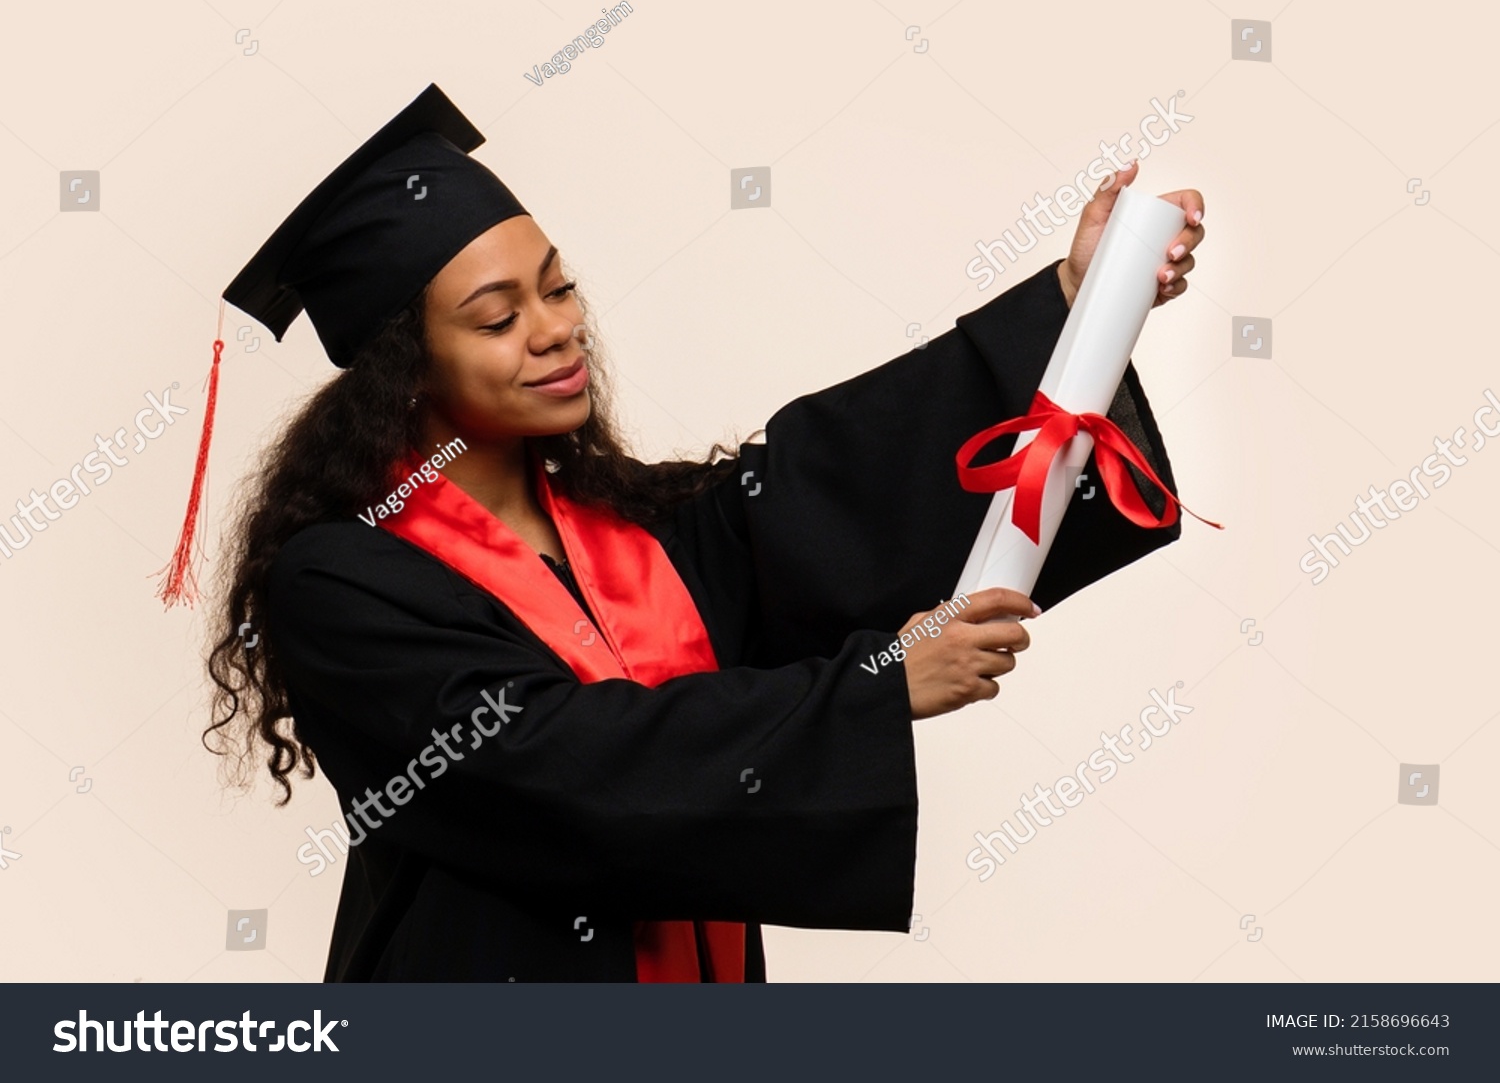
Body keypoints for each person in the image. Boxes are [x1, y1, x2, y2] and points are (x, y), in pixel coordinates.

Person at [174, 83, 1204, 982]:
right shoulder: (344, 583)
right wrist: (874, 692)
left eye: (559, 285)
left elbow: (828, 485)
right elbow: (548, 765)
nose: (555, 327)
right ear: (410, 369)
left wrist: (1077, 307)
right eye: (498, 318)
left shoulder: (637, 528)